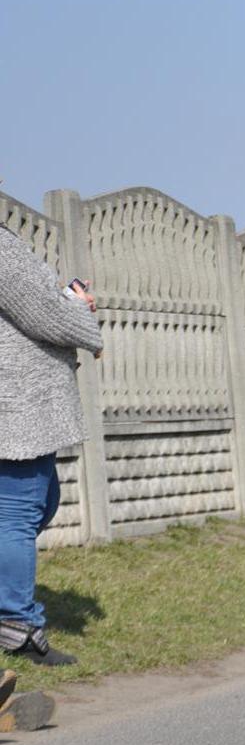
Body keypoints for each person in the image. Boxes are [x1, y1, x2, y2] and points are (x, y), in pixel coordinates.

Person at [0, 221, 103, 667]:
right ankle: (17, 627)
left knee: (41, 502)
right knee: (18, 515)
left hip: (18, 402)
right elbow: (43, 315)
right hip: (15, 403)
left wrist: (63, 299)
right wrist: (76, 308)